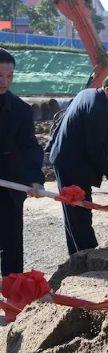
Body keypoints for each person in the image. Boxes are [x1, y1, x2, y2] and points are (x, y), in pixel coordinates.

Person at [49, 74, 108, 255]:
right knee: (79, 210)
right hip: (71, 163)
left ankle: (77, 255)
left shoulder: (89, 93)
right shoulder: (98, 110)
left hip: (68, 157)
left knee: (74, 209)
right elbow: (94, 151)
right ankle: (88, 256)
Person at [0, 48, 44, 277]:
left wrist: (35, 179)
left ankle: (12, 300)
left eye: (9, 76)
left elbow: (30, 148)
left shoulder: (20, 110)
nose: (4, 81)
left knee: (11, 246)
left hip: (9, 189)